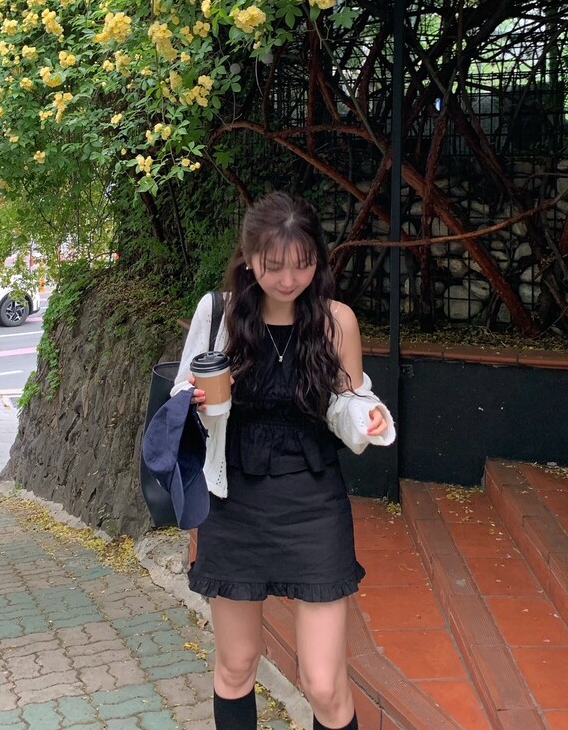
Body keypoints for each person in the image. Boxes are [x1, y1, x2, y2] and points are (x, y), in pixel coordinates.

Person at [172, 191, 396, 730]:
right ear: (250, 258)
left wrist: (367, 417)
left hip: (311, 503)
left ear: (318, 260)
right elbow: (182, 392)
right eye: (274, 266)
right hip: (233, 501)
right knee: (236, 666)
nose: (289, 279)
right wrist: (199, 403)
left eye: (302, 264)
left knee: (323, 684)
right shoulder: (219, 314)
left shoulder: (336, 321)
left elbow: (346, 400)